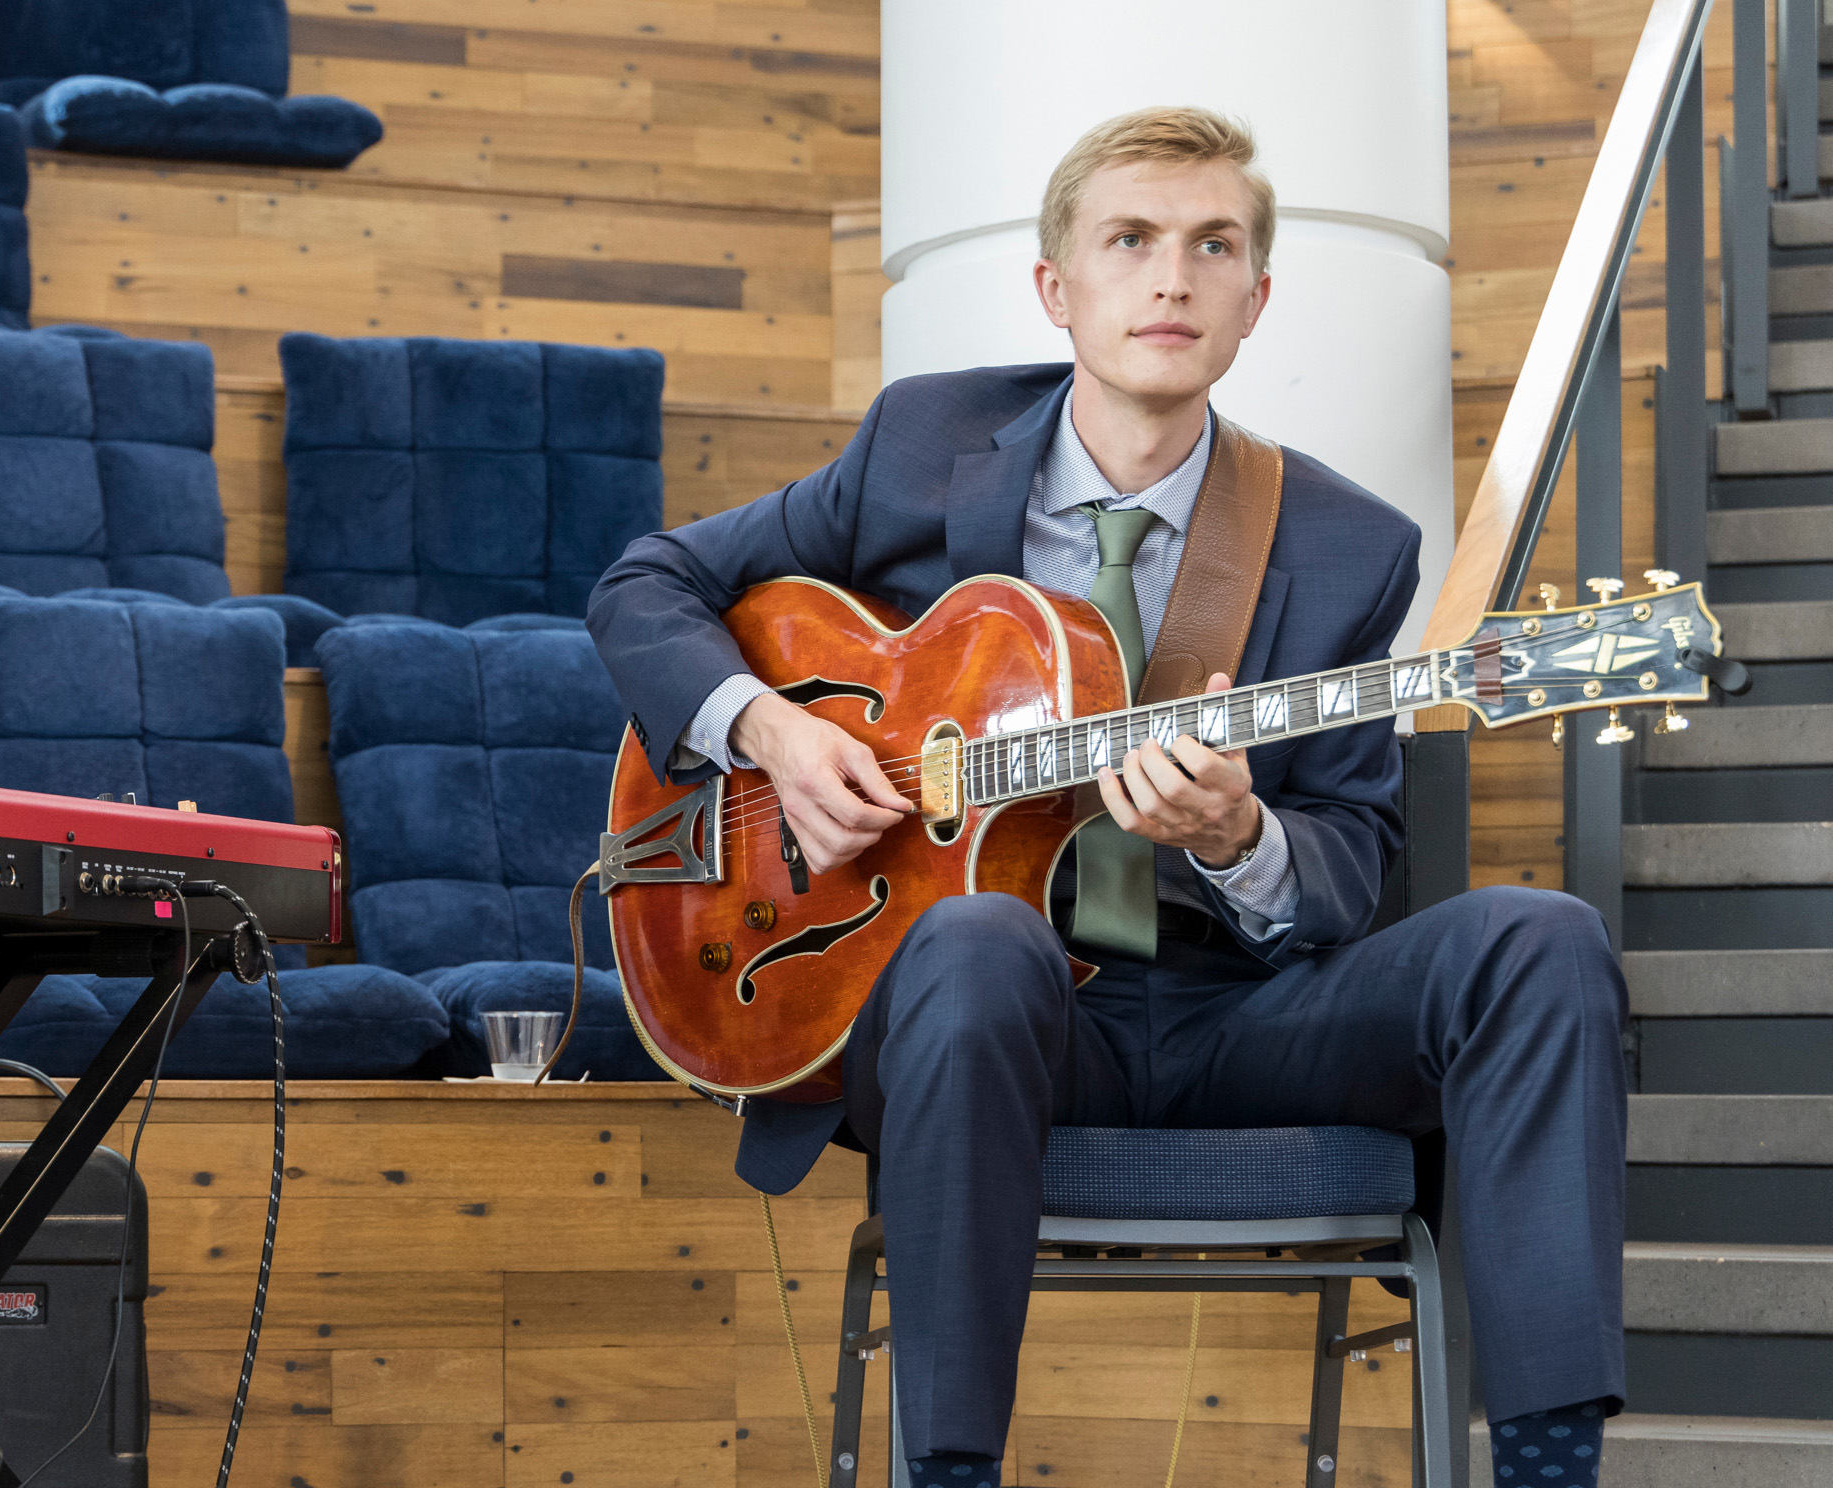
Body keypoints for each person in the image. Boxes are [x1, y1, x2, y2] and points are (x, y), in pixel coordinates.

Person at [587, 107, 1627, 1488]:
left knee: (1542, 941)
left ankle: (1550, 1470)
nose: (1171, 279)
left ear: (1256, 300)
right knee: (973, 940)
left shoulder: (1347, 545)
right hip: (995, 1017)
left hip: (1248, 1015)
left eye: (1213, 247)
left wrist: (1243, 834)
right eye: (1129, 240)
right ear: (1056, 287)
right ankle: (949, 1471)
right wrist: (773, 733)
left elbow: (1354, 861)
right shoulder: (920, 444)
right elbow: (643, 585)